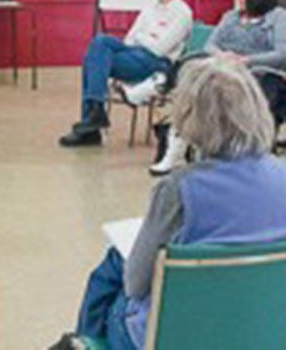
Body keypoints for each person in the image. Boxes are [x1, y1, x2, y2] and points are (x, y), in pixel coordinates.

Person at [55, 57, 286, 350]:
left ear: (189, 117)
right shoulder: (282, 174)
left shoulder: (178, 188)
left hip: (176, 336)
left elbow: (136, 285)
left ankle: (84, 342)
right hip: (261, 330)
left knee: (114, 265)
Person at [150, 0, 286, 174]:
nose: (238, 0)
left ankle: (246, 151)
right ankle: (176, 146)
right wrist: (222, 56)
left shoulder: (278, 18)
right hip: (223, 67)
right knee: (193, 79)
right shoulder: (230, 17)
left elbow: (281, 53)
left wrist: (246, 60)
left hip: (257, 71)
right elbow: (210, 44)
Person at [59, 0, 192, 147]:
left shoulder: (182, 13)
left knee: (94, 58)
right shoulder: (150, 8)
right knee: (99, 45)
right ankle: (94, 115)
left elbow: (159, 49)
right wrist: (148, 38)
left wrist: (142, 38)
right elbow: (130, 38)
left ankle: (92, 124)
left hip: (157, 64)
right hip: (135, 54)